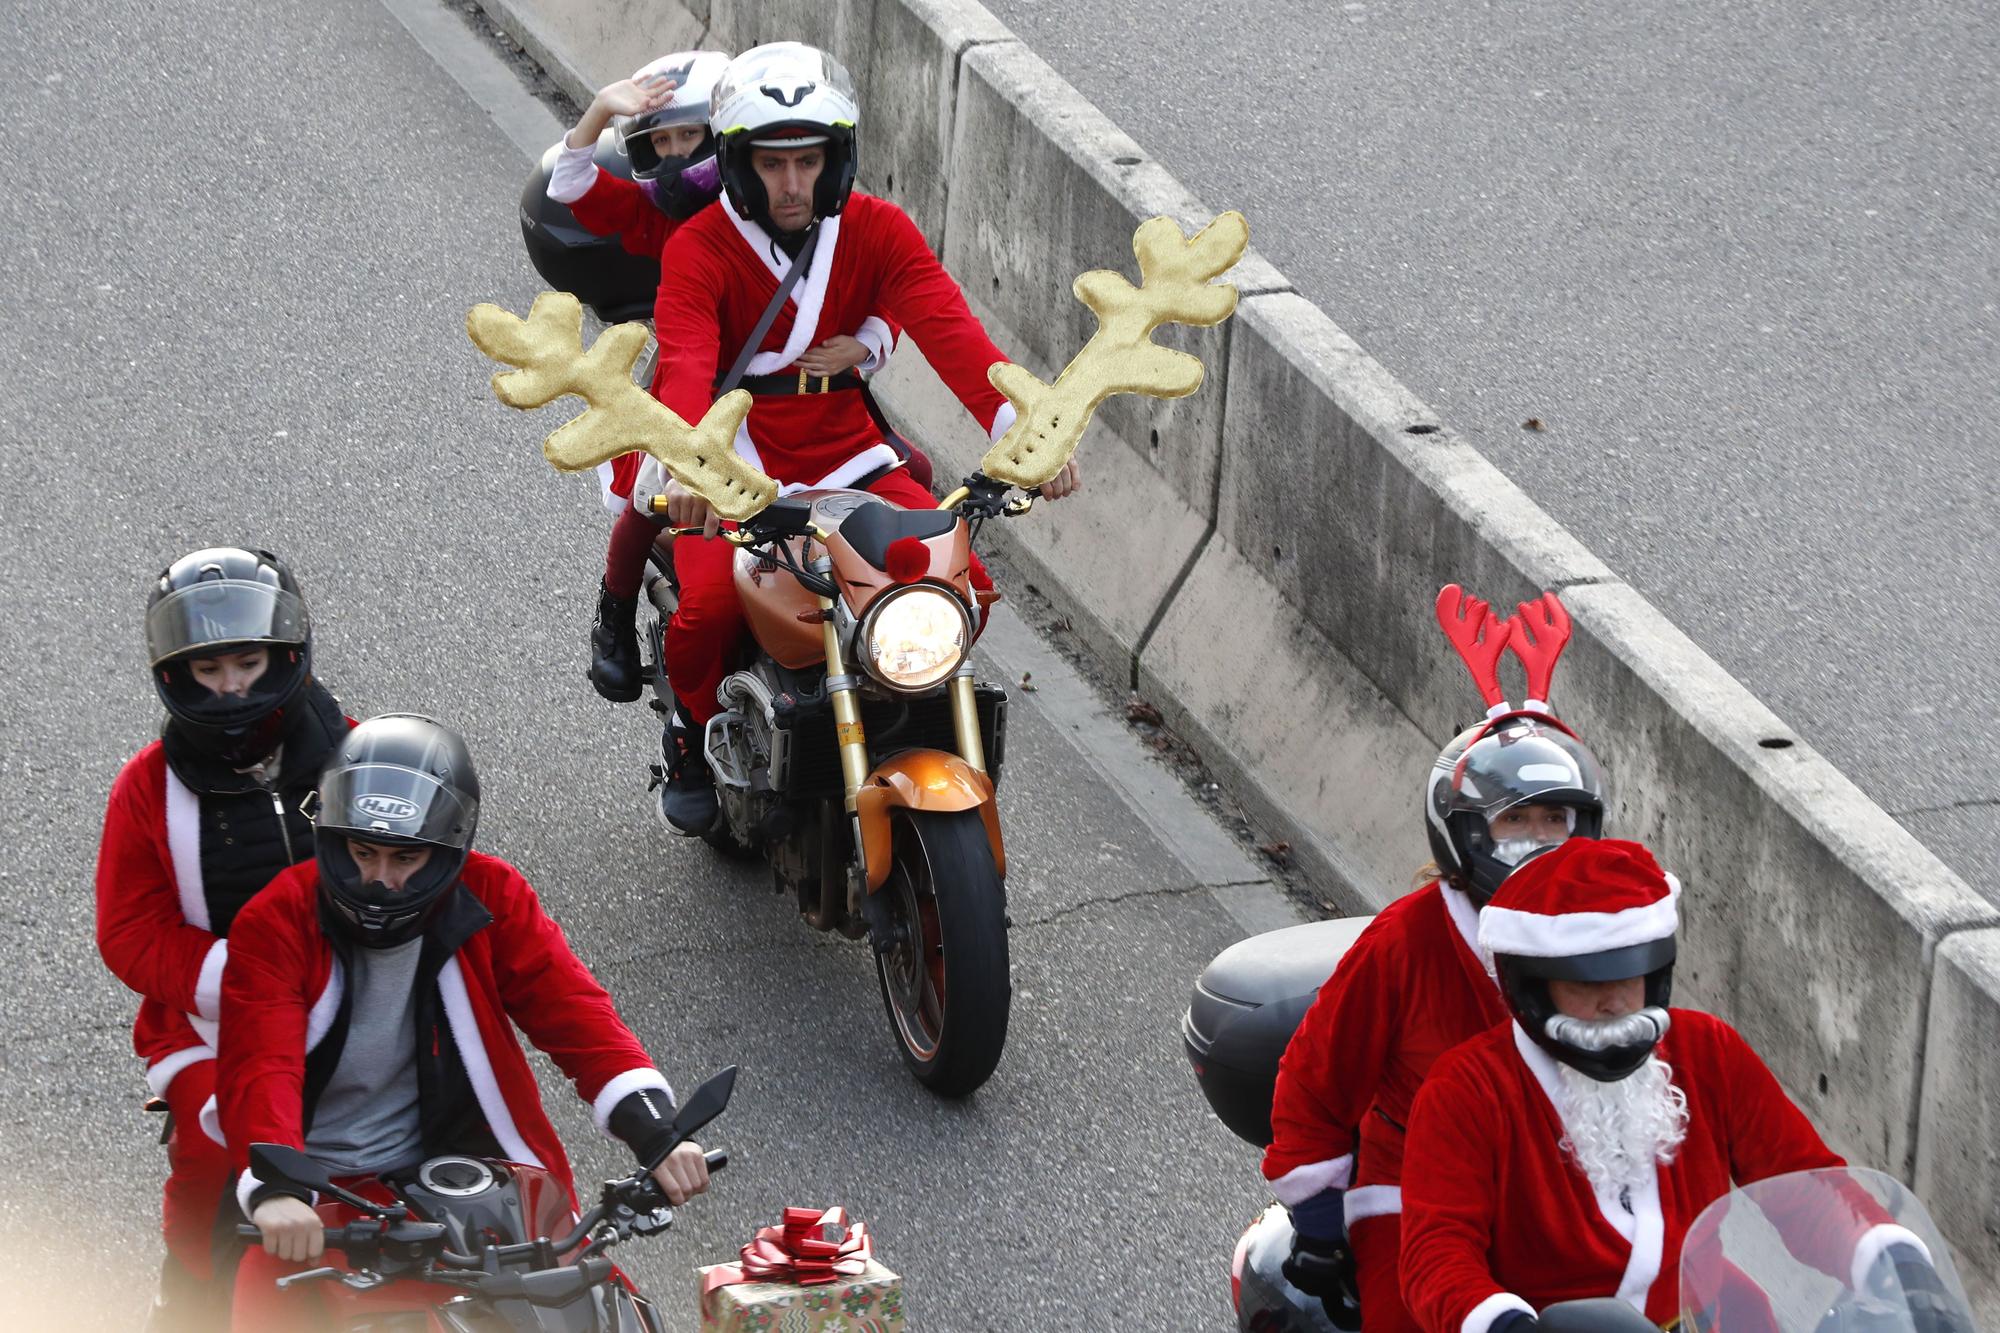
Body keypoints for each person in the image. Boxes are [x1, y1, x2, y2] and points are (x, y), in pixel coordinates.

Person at [646, 40, 1081, 833]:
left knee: (966, 587)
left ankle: (891, 713)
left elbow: (957, 336)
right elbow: (683, 366)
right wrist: (689, 467)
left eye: (809, 162)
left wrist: (1027, 434)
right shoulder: (697, 248)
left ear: (835, 159)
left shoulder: (878, 229)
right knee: (705, 609)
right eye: (773, 164)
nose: (792, 184)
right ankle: (690, 732)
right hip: (738, 459)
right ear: (738, 164)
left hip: (846, 444)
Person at [217, 713, 709, 1329]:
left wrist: (655, 1130)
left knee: (594, 1302)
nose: (379, 879)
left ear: (448, 848)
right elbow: (261, 1067)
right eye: (361, 851)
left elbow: (573, 1011)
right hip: (323, 1192)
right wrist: (279, 1193)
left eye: (406, 857)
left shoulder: (493, 893)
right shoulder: (274, 920)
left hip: (473, 1172)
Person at [1398, 837, 1955, 1331]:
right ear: (1531, 988)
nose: (1615, 1001)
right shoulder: (1466, 1090)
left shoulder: (1709, 1050)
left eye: (1629, 975)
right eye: (1585, 983)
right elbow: (1438, 1253)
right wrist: (1504, 1324)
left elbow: (1804, 1180)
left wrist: (1890, 1259)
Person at [1262, 589, 1604, 1331]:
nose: (1540, 840)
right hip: (1416, 1201)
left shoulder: (1611, 931)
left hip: (1567, 1194)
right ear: (1467, 830)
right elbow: (1314, 1083)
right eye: (1516, 819)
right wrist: (1321, 1223)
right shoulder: (1407, 941)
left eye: (1556, 819)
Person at [541, 52, 902, 704]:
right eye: (662, 141)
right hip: (697, 387)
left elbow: (890, 285)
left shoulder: (810, 206)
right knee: (646, 499)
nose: (677, 154)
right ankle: (614, 610)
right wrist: (598, 112)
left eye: (689, 137)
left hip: (790, 394)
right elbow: (571, 190)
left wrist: (869, 342)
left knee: (917, 473)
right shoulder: (664, 216)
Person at [94, 547, 352, 1330]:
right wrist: (238, 977)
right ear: (178, 671)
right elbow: (127, 930)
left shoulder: (360, 751)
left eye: (248, 661)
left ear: (285, 656)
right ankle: (190, 1293)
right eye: (210, 668)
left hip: (359, 989)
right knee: (212, 1149)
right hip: (210, 1021)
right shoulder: (145, 788)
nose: (233, 685)